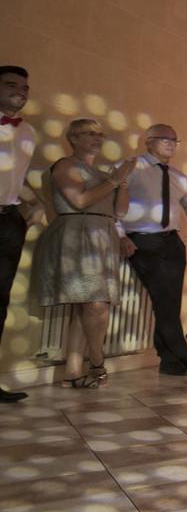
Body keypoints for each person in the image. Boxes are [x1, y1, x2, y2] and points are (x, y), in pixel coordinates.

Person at [31, 118, 133, 388]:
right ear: (73, 138)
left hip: (103, 235)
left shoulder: (103, 174)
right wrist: (114, 180)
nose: (98, 138)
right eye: (90, 133)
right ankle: (97, 360)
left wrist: (122, 183)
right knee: (95, 304)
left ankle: (73, 372)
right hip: (76, 236)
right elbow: (79, 200)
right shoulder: (65, 165)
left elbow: (120, 211)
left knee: (86, 305)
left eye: (100, 134)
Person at [118, 124, 187, 376]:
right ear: (148, 142)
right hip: (143, 241)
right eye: (164, 139)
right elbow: (113, 201)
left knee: (171, 300)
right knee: (164, 298)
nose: (171, 143)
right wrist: (120, 234)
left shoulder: (179, 176)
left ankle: (169, 361)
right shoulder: (131, 167)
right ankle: (181, 354)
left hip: (172, 242)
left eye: (174, 140)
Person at [0, 66, 36, 403]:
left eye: (24, 87)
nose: (20, 92)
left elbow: (16, 178)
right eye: (11, 85)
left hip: (9, 221)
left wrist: (34, 204)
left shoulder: (27, 132)